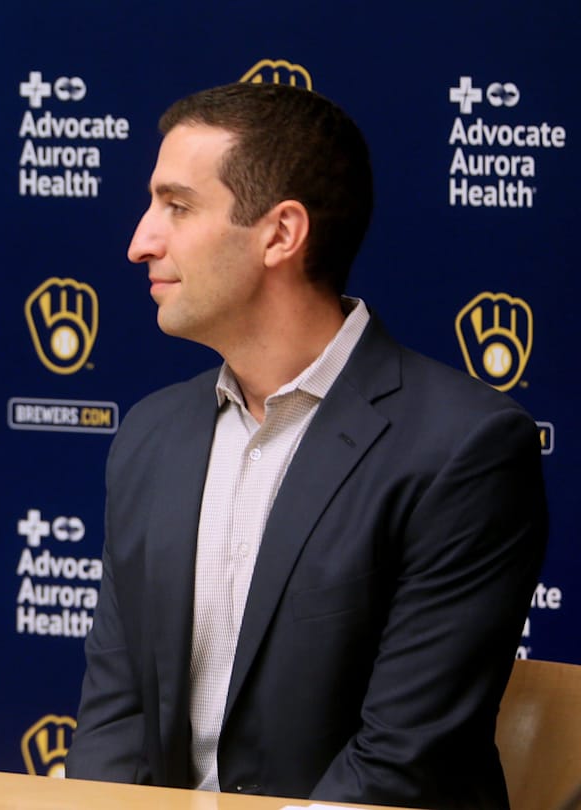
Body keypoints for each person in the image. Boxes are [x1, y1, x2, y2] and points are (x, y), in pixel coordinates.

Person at [65, 82, 547, 807]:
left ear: (281, 234)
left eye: (178, 206)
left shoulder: (463, 448)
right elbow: (115, 719)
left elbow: (402, 762)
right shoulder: (151, 436)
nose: (141, 242)